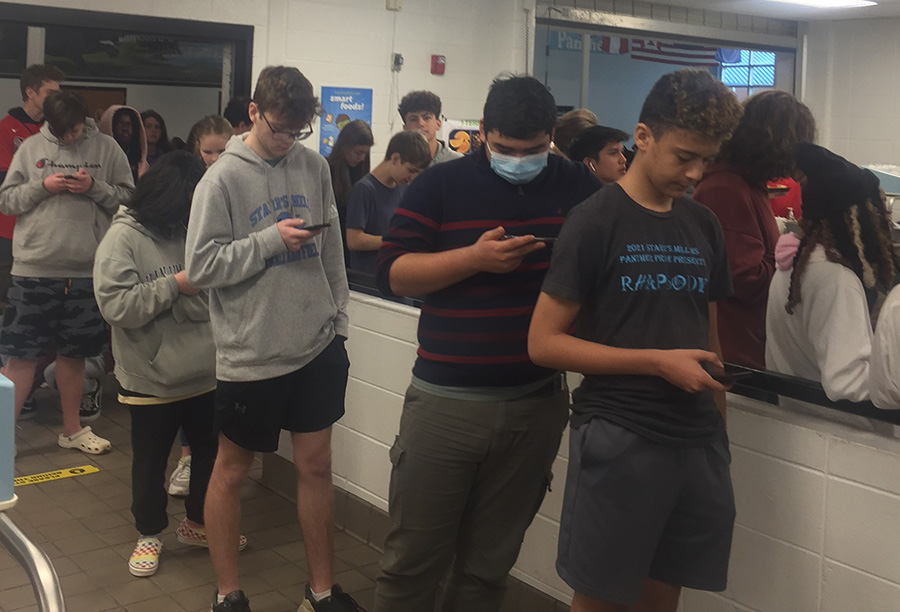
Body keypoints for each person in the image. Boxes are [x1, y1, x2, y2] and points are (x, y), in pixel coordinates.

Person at [372, 75, 602, 612]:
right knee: (411, 565)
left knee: (487, 569)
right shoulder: (439, 185)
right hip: (446, 406)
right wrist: (471, 260)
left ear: (552, 138)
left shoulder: (577, 187)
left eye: (534, 150)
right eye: (504, 149)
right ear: (481, 132)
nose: (519, 159)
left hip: (536, 406)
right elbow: (394, 275)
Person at [527, 68, 743, 612]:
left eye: (706, 160)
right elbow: (544, 344)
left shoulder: (703, 224)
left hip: (695, 439)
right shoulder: (594, 221)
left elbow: (709, 340)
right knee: (600, 595)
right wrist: (656, 363)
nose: (694, 173)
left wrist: (718, 432)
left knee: (663, 591)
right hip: (621, 436)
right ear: (642, 137)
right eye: (683, 156)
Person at [185, 65, 359, 612]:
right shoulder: (221, 179)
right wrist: (266, 242)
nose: (287, 141)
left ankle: (322, 591)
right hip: (251, 353)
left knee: (316, 467)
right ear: (254, 113)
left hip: (316, 344)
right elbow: (201, 267)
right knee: (232, 470)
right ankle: (227, 593)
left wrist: (341, 320)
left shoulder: (314, 166)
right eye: (279, 129)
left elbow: (332, 250)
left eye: (298, 131)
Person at [93, 150, 246, 577]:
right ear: (168, 199)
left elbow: (218, 289)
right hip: (151, 378)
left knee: (208, 454)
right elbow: (116, 306)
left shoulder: (193, 228)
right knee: (150, 460)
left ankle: (199, 523)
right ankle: (149, 534)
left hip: (207, 372)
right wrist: (175, 286)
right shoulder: (123, 238)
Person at [0, 89, 134, 453]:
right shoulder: (29, 149)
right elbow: (7, 200)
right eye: (61, 134)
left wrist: (95, 188)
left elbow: (129, 197)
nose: (69, 139)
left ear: (83, 120)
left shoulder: (107, 149)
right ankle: (2, 438)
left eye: (74, 131)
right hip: (34, 269)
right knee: (20, 356)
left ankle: (73, 430)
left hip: (87, 270)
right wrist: (42, 187)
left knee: (75, 355)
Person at [693, 91, 816, 369]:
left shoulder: (746, 183)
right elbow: (745, 278)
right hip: (737, 350)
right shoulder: (726, 189)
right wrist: (795, 264)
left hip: (749, 340)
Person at [766, 142, 894, 403]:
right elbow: (846, 382)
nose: (887, 220)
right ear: (858, 217)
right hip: (835, 430)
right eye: (878, 208)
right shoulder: (836, 280)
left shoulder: (796, 262)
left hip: (795, 417)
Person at [345, 130, 430, 275]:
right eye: (410, 170)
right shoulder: (364, 190)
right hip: (370, 281)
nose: (412, 177)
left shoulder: (403, 188)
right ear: (395, 158)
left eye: (417, 173)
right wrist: (396, 240)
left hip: (396, 276)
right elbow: (354, 240)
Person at [326, 119, 374, 262]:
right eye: (358, 152)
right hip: (334, 242)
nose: (362, 158)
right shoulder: (327, 170)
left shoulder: (361, 170)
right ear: (344, 146)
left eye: (365, 153)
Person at [398, 90, 462, 167]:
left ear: (438, 124)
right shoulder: (398, 162)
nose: (421, 124)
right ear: (405, 129)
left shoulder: (458, 162)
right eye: (413, 119)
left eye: (427, 118)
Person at [100, 105, 148, 182]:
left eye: (129, 125)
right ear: (110, 125)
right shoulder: (98, 157)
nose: (125, 129)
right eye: (121, 124)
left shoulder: (141, 161)